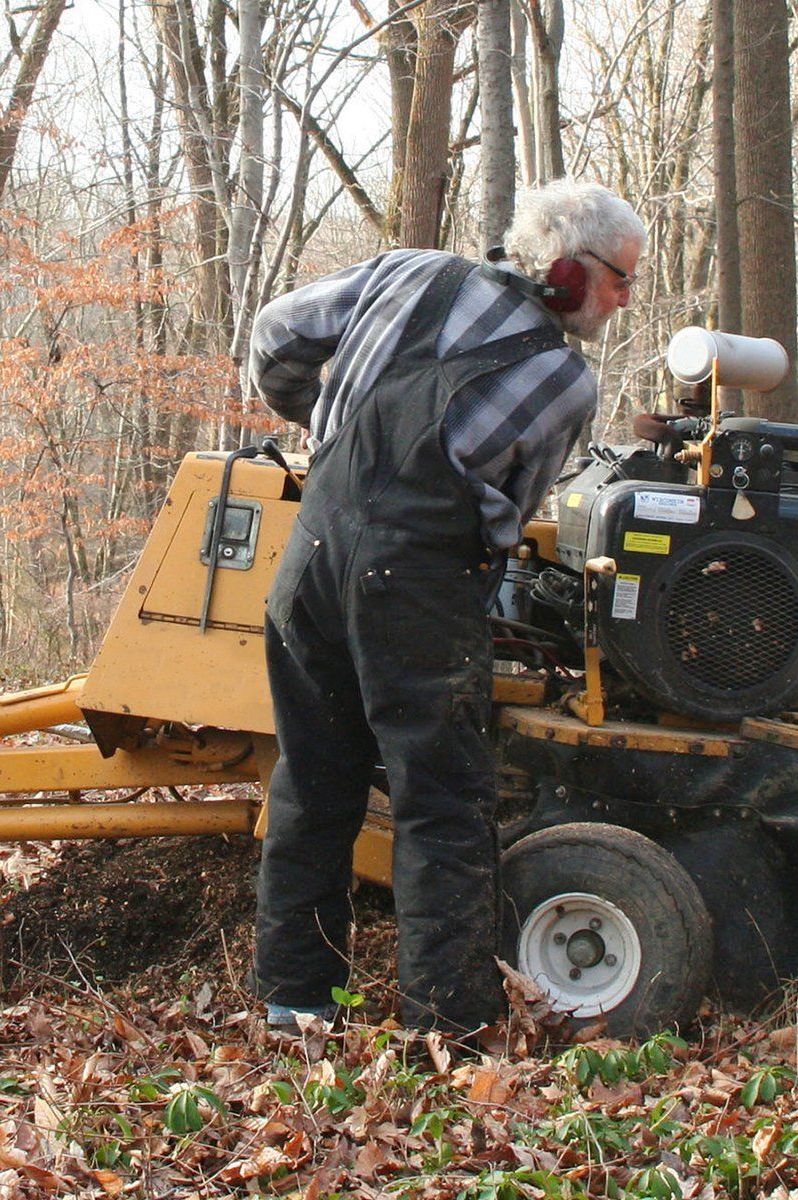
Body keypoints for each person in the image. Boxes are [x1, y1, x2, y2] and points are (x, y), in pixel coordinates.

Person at [247, 180, 646, 1035]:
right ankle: (447, 1028)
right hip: (416, 591)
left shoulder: (408, 271)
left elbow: (277, 333)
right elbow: (506, 512)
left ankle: (295, 1004)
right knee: (443, 805)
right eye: (619, 280)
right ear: (569, 273)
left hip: (311, 560)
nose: (622, 300)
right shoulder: (562, 381)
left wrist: (323, 426)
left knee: (313, 784)